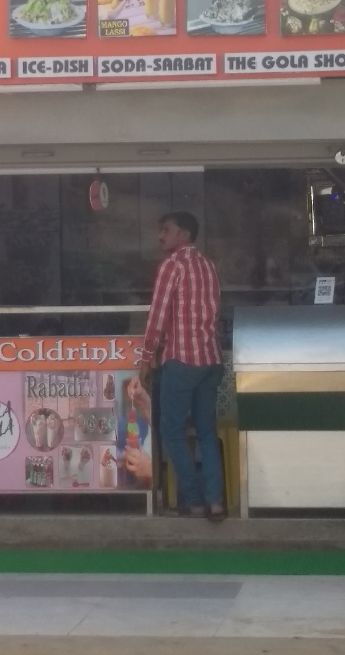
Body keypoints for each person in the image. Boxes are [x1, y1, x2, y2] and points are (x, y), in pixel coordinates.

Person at [139, 211, 225, 522]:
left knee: (171, 432)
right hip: (211, 359)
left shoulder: (172, 266)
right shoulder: (209, 265)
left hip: (182, 360)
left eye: (166, 230)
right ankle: (216, 502)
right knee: (206, 432)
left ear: (184, 234)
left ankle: (194, 502)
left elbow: (157, 317)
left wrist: (146, 357)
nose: (160, 236)